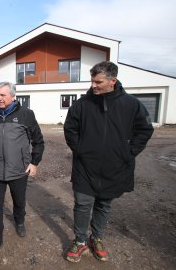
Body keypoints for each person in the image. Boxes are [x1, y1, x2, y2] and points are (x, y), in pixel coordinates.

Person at [64, 61, 154, 263]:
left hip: (116, 167)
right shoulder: (81, 105)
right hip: (85, 167)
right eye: (92, 81)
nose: (93, 85)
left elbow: (145, 130)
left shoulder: (132, 104)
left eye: (98, 81)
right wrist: (80, 150)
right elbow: (70, 129)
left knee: (104, 205)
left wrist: (128, 153)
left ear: (113, 81)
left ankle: (96, 238)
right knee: (82, 204)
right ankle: (80, 242)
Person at [0, 81, 45, 258]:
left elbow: (38, 140)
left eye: (3, 95)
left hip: (19, 170)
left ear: (13, 96)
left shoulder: (26, 114)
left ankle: (20, 221)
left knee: (19, 200)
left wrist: (34, 162)